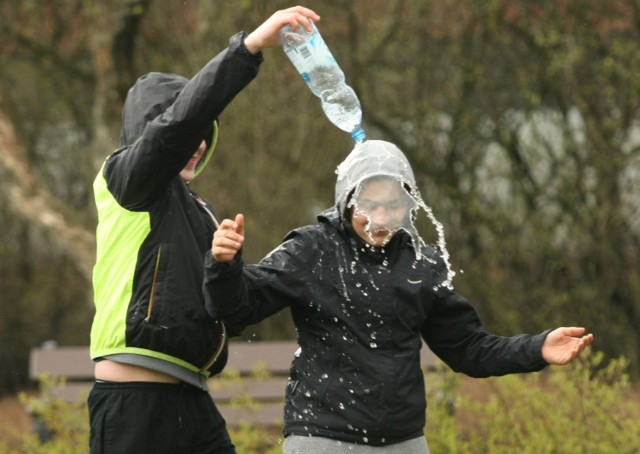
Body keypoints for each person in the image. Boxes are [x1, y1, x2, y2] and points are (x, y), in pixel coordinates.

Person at [203, 140, 594, 454]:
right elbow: (238, 306)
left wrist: (537, 347)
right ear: (346, 201)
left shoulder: (421, 264)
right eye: (368, 206)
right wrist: (224, 265)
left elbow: (469, 348)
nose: (381, 219)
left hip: (404, 441)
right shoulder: (311, 249)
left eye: (393, 206)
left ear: (410, 206)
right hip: (321, 436)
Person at [88, 6, 320, 454]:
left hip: (193, 398)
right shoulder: (126, 179)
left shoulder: (201, 211)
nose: (198, 144)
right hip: (136, 402)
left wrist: (230, 264)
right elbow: (179, 125)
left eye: (205, 135)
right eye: (191, 132)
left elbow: (229, 310)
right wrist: (250, 47)